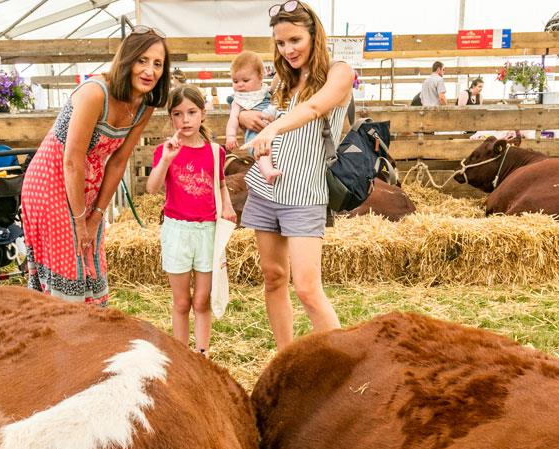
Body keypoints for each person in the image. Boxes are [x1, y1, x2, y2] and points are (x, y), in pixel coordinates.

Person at [18, 29, 168, 307]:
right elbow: (73, 160)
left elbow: (119, 160)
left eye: (157, 64)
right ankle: (58, 333)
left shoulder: (145, 105)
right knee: (69, 261)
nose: (150, 71)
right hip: (52, 181)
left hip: (87, 188)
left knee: (89, 259)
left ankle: (87, 335)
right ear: (127, 61)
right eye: (142, 61)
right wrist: (79, 220)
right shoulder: (95, 92)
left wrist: (97, 215)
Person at [237, 0, 354, 349]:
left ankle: (343, 364)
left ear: (314, 35)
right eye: (280, 43)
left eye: (295, 40)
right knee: (273, 278)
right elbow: (256, 111)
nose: (288, 50)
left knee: (306, 287)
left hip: (304, 193)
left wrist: (273, 131)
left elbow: (316, 107)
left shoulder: (340, 71)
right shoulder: (282, 80)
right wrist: (248, 120)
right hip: (266, 189)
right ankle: (285, 356)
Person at [147, 86, 235, 354]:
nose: (185, 120)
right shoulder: (166, 150)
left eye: (191, 112)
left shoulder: (214, 151)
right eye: (177, 114)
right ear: (171, 117)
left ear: (203, 114)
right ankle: (181, 354)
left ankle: (202, 353)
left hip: (207, 231)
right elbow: (152, 188)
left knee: (201, 301)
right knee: (182, 302)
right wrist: (166, 160)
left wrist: (228, 207)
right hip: (177, 231)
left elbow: (219, 184)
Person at [226, 51, 280, 182]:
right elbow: (233, 118)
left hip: (273, 130)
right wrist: (231, 136)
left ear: (260, 77)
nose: (240, 84)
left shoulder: (266, 92)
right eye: (235, 81)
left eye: (245, 80)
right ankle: (268, 172)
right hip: (254, 135)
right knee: (262, 151)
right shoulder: (238, 100)